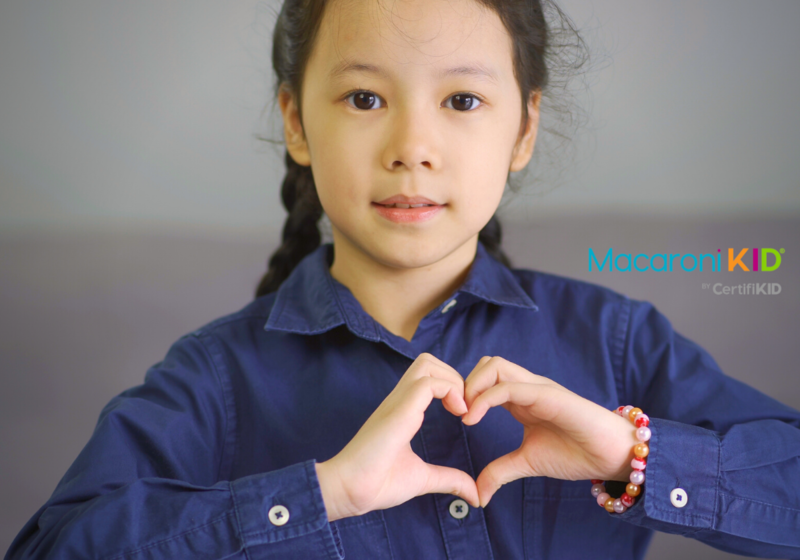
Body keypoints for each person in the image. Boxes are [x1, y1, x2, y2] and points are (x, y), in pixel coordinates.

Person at [6, 0, 800, 558]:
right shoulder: (215, 378)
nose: (412, 145)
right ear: (296, 122)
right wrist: (318, 495)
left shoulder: (616, 340)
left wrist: (634, 454)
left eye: (461, 99)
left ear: (523, 129)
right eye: (363, 97)